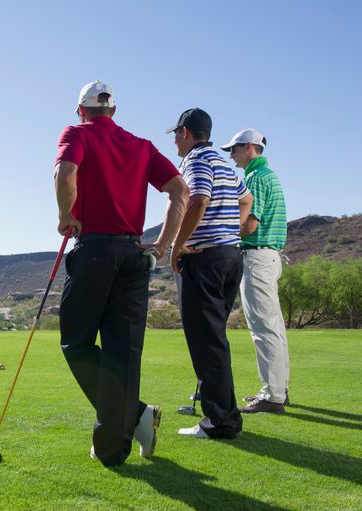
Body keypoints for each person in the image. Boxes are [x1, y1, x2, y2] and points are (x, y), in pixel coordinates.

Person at [55, 80, 189, 466]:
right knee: (123, 353)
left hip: (95, 251)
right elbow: (179, 191)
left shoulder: (76, 133)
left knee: (76, 343)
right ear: (113, 111)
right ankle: (117, 443)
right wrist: (161, 246)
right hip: (134, 255)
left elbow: (65, 174)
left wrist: (66, 216)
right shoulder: (141, 146)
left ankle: (134, 415)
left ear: (81, 110)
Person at [167, 108, 253, 439]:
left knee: (206, 342)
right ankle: (222, 412)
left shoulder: (196, 161)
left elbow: (198, 200)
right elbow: (246, 202)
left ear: (186, 132)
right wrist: (232, 231)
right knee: (214, 338)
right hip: (230, 256)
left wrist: (178, 244)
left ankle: (220, 422)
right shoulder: (222, 162)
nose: (174, 140)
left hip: (204, 259)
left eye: (176, 134)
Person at [221, 129, 290, 414]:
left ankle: (272, 395)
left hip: (258, 257)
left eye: (234, 149)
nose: (231, 155)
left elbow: (250, 223)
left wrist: (222, 235)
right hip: (268, 258)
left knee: (263, 328)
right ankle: (278, 390)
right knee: (273, 326)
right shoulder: (266, 175)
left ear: (249, 147)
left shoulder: (255, 178)